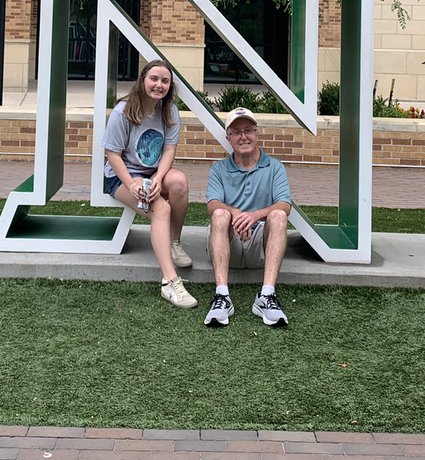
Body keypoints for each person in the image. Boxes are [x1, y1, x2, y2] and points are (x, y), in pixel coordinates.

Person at [102, 58, 197, 309]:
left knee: (178, 182)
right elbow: (112, 154)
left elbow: (168, 150)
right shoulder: (124, 111)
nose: (159, 85)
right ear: (143, 80)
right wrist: (132, 184)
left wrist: (157, 178)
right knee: (162, 208)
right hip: (121, 177)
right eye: (154, 79)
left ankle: (174, 243)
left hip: (153, 173)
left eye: (165, 81)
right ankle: (170, 282)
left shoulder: (169, 110)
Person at [204, 106, 292, 327]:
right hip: (230, 240)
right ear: (229, 137)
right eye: (236, 132)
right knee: (220, 214)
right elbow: (212, 203)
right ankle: (222, 296)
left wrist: (254, 216)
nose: (243, 136)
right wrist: (237, 215)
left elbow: (285, 203)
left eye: (248, 130)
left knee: (279, 215)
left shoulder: (275, 166)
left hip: (260, 244)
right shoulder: (219, 168)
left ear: (257, 133)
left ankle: (267, 296)